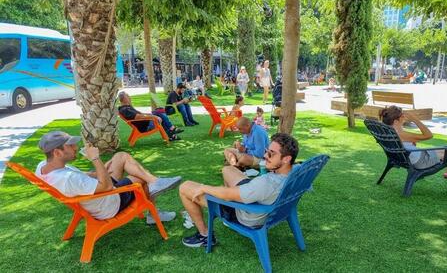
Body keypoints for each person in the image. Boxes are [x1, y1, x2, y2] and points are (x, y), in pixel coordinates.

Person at [179, 133, 299, 247]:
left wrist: (204, 187)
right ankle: (230, 205)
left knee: (185, 186)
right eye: (266, 151)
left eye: (271, 154)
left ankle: (204, 235)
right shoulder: (297, 170)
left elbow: (226, 195)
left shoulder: (266, 183)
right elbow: (257, 187)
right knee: (228, 170)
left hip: (246, 214)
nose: (265, 156)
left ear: (286, 159)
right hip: (261, 196)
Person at [35, 131, 181, 223]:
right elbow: (107, 187)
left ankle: (155, 182)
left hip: (93, 194)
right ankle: (153, 209)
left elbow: (83, 177)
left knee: (120, 156)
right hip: (107, 204)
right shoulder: (68, 179)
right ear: (57, 152)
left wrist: (101, 169)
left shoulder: (44, 167)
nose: (75, 147)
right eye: (70, 145)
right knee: (139, 177)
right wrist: (95, 159)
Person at [379, 106, 447, 172]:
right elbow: (429, 135)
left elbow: (407, 142)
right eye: (402, 115)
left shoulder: (388, 131)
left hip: (406, 158)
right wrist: (415, 119)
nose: (405, 117)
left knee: (444, 149)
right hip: (420, 162)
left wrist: (409, 144)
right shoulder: (401, 134)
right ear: (396, 121)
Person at [118, 91, 183, 141]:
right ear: (124, 99)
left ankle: (172, 134)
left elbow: (141, 114)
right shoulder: (125, 109)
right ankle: (172, 129)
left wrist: (151, 114)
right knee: (159, 114)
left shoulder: (127, 107)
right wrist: (154, 117)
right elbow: (139, 117)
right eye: (128, 96)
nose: (130, 98)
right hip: (146, 126)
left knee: (158, 111)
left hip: (146, 123)